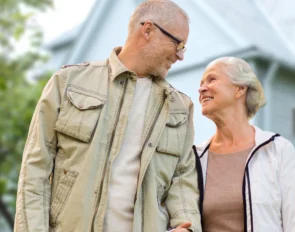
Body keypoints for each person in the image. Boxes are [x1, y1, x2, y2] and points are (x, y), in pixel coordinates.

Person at [14, 0, 201, 231]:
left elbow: (182, 181)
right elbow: (35, 171)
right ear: (148, 30)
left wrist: (187, 228)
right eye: (178, 43)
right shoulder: (68, 83)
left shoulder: (180, 107)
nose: (180, 56)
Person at [194, 57, 295, 232]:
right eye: (201, 83)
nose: (201, 88)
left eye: (212, 79)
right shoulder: (195, 158)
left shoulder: (277, 149)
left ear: (240, 88)